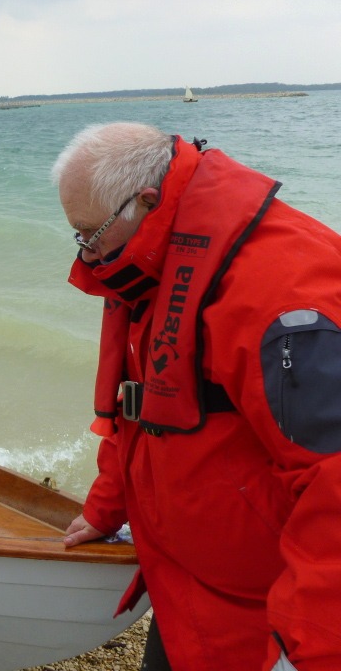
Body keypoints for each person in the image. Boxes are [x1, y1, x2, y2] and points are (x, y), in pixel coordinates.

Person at [51, 122, 341, 671]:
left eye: (89, 233)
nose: (87, 257)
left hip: (265, 615)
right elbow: (141, 406)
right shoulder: (155, 265)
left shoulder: (280, 289)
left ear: (147, 199)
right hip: (185, 587)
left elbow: (334, 482)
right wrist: (106, 507)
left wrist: (311, 651)